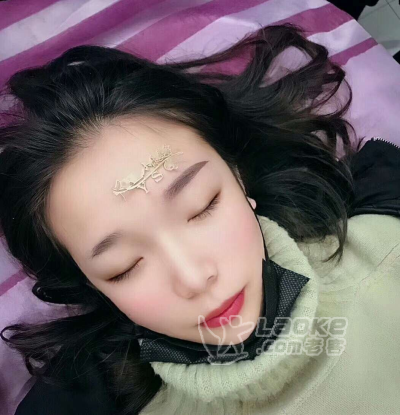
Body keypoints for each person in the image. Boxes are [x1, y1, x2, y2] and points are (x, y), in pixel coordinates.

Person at [1, 23, 400, 415]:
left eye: (202, 206)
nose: (194, 278)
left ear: (237, 175)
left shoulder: (386, 227)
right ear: (91, 285)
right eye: (124, 267)